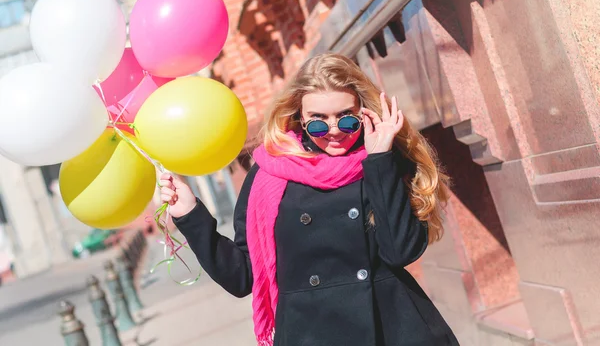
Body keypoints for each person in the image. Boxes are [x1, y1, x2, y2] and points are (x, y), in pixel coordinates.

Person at [160, 53, 459, 346]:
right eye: (318, 121)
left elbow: (400, 252)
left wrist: (380, 160)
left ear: (363, 112)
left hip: (391, 328)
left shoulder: (382, 160)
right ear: (300, 118)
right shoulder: (268, 175)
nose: (333, 132)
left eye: (346, 120)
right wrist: (190, 214)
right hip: (310, 333)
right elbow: (242, 277)